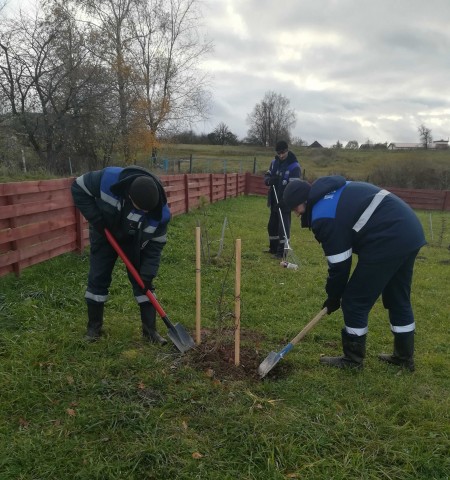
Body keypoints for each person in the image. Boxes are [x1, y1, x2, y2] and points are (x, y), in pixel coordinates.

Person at [283, 176, 426, 371]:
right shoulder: (329, 192)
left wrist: (334, 296)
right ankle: (403, 358)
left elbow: (340, 266)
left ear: (304, 201)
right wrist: (334, 295)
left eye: (295, 208)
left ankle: (352, 360)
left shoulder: (323, 215)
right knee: (397, 297)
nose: (296, 214)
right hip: (409, 230)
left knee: (354, 300)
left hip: (388, 238)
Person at [71, 165, 171, 344]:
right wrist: (96, 219)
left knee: (143, 282)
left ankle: (150, 332)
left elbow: (155, 246)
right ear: (129, 195)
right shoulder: (108, 179)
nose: (144, 213)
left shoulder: (161, 215)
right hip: (105, 232)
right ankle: (94, 328)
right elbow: (78, 187)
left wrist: (148, 273)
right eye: (140, 208)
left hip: (135, 242)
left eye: (147, 211)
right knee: (98, 277)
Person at [263, 140, 301, 258]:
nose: (281, 155)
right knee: (272, 226)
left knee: (283, 227)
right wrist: (269, 180)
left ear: (287, 150)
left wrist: (286, 202)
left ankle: (282, 252)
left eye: (283, 152)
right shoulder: (274, 163)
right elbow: (267, 176)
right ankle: (273, 248)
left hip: (285, 202)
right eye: (279, 153)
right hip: (274, 199)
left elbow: (295, 187)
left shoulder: (294, 167)